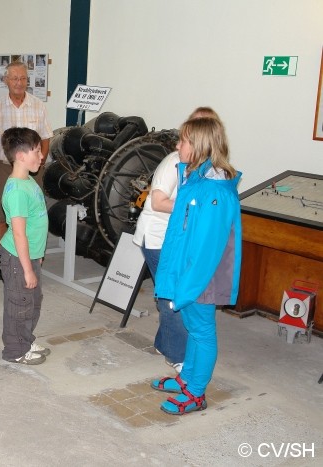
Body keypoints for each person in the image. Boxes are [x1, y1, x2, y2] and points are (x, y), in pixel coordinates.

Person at [151, 117, 242, 415]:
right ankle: (187, 378)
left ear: (200, 145)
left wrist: (187, 288)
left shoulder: (214, 191)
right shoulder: (195, 179)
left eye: (183, 141)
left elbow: (206, 250)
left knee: (202, 330)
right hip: (187, 270)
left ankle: (197, 393)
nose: (178, 146)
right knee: (192, 327)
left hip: (202, 277)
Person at [133, 107, 221, 373]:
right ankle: (175, 353)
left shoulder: (208, 168)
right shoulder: (173, 162)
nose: (178, 143)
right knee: (171, 295)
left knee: (174, 293)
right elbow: (158, 202)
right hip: (159, 238)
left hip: (179, 239)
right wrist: (196, 206)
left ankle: (165, 342)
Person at [0, 61, 53, 281]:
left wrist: (39, 164)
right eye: (14, 78)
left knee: (30, 216)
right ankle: (2, 260)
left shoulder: (38, 105)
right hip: (2, 167)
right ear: (6, 80)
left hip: (31, 171)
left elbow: (45, 137)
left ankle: (32, 256)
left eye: (23, 78)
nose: (19, 82)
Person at [0, 127, 50, 365]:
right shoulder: (17, 190)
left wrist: (36, 257)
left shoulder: (28, 179)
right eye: (36, 151)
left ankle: (25, 339)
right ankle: (15, 350)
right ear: (20, 156)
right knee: (20, 304)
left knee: (33, 301)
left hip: (28, 256)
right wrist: (27, 268)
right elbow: (19, 234)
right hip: (17, 258)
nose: (41, 156)